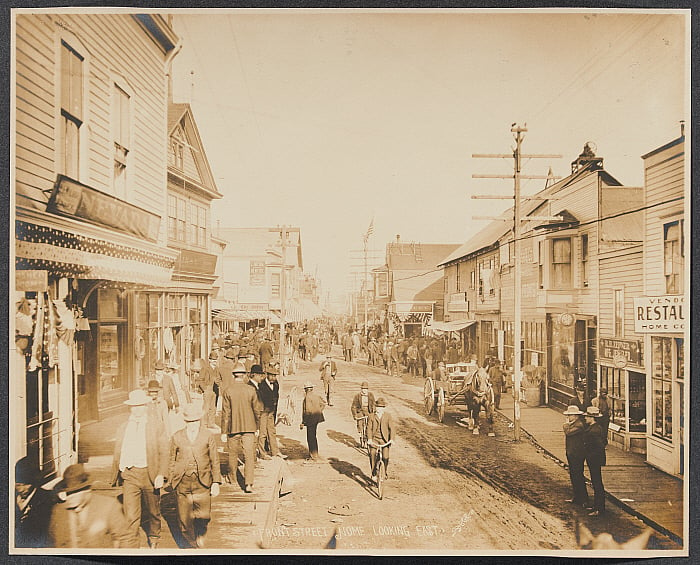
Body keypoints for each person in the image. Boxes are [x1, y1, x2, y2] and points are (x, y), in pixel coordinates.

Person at [111, 389, 168, 549]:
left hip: (149, 473)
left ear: (145, 406)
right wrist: (120, 469)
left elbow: (164, 451)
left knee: (153, 511)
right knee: (130, 514)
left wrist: (161, 474)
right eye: (134, 406)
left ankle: (154, 536)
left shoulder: (155, 425)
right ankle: (132, 544)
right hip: (130, 474)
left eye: (140, 406)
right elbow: (118, 449)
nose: (137, 409)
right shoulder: (123, 427)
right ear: (130, 408)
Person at [168, 404, 221, 548]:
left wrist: (216, 482)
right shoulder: (177, 436)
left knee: (204, 516)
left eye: (195, 421)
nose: (192, 424)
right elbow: (171, 460)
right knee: (184, 519)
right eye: (189, 421)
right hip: (182, 482)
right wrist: (171, 479)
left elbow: (214, 459)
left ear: (199, 420)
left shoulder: (207, 435)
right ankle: (192, 548)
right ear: (185, 421)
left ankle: (200, 532)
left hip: (202, 481)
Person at [49, 464, 135, 548]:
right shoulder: (59, 511)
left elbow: (126, 538)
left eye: (74, 493)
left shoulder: (109, 506)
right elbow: (54, 542)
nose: (69, 498)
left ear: (87, 491)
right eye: (67, 493)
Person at [220, 361, 259, 493]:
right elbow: (256, 410)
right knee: (249, 455)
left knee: (232, 454)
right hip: (249, 427)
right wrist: (257, 427)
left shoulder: (228, 391)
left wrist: (223, 431)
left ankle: (233, 479)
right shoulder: (251, 390)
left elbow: (226, 413)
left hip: (233, 428)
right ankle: (248, 483)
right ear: (244, 375)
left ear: (233, 375)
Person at [14, 456, 55, 548]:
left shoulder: (46, 500)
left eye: (26, 485)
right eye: (18, 485)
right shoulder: (9, 497)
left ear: (34, 483)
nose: (21, 489)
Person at [562, 405, 589, 508]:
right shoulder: (574, 424)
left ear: (576, 416)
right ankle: (577, 497)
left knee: (578, 475)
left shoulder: (579, 425)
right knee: (574, 475)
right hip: (572, 453)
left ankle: (583, 498)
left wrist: (565, 424)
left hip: (577, 454)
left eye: (570, 415)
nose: (568, 417)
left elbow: (568, 432)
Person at [258, 364, 286, 459]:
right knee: (262, 433)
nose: (274, 378)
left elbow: (276, 399)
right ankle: (262, 453)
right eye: (272, 375)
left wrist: (275, 412)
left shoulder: (276, 385)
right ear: (267, 375)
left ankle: (275, 451)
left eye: (275, 376)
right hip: (263, 412)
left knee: (272, 432)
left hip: (271, 412)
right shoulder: (261, 385)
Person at [583, 406, 607, 516]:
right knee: (596, 482)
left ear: (592, 418)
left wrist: (590, 454)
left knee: (597, 483)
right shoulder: (597, 427)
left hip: (594, 459)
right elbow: (605, 441)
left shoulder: (594, 430)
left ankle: (599, 508)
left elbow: (601, 445)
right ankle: (597, 506)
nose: (585, 419)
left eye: (587, 417)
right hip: (595, 459)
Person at [367, 397, 394, 481]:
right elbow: (369, 428)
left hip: (384, 440)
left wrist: (392, 439)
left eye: (381, 407)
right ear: (375, 407)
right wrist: (370, 439)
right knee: (372, 454)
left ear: (383, 408)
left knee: (385, 457)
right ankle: (374, 473)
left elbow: (392, 428)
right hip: (374, 439)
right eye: (378, 407)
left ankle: (384, 471)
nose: (379, 409)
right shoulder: (371, 416)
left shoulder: (388, 416)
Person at [301, 381, 326, 460]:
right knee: (313, 436)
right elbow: (323, 404)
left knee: (310, 437)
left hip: (310, 420)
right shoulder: (316, 396)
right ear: (312, 389)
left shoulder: (307, 398)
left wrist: (303, 422)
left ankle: (313, 455)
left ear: (306, 390)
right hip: (317, 419)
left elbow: (307, 411)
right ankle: (315, 453)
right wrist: (318, 411)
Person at [196, 351, 220, 429]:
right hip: (208, 389)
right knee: (206, 407)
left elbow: (219, 378)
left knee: (213, 408)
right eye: (213, 360)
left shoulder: (217, 369)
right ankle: (203, 424)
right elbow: (200, 380)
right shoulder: (205, 368)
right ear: (209, 360)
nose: (214, 362)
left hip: (215, 390)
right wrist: (205, 389)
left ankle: (211, 423)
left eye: (216, 360)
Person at [351, 381, 376, 446]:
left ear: (367, 389)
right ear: (361, 389)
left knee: (369, 425)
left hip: (368, 411)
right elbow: (353, 406)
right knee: (360, 425)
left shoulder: (371, 395)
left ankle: (367, 438)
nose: (364, 390)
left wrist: (374, 412)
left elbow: (374, 404)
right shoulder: (357, 396)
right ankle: (361, 438)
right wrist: (355, 415)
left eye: (366, 389)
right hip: (360, 411)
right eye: (363, 389)